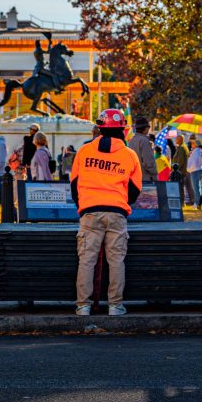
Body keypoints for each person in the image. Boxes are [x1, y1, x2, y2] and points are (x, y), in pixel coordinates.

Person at [71, 108, 142, 316]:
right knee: (116, 260)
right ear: (122, 130)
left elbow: (74, 184)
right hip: (117, 212)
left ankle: (83, 306)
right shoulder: (129, 155)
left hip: (90, 212)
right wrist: (120, 202)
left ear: (100, 128)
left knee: (86, 260)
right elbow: (135, 189)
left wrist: (84, 205)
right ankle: (115, 306)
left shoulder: (84, 152)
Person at [128, 116, 158, 183]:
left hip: (133, 179)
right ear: (146, 128)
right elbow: (148, 163)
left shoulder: (132, 140)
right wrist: (155, 175)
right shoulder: (144, 141)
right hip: (145, 180)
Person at [186, 138, 202, 205]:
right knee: (198, 187)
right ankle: (199, 201)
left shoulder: (196, 151)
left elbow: (194, 162)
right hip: (199, 170)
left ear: (196, 144)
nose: (191, 144)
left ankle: (197, 202)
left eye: (193, 143)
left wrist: (189, 169)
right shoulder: (199, 150)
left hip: (195, 170)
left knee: (195, 188)